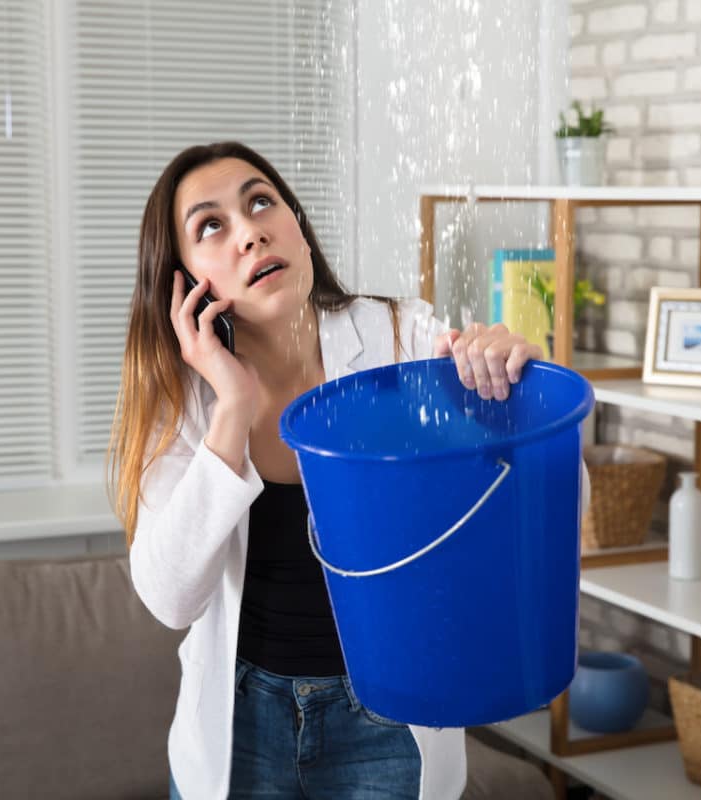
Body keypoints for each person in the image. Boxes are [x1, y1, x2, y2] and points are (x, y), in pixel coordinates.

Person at [107, 142, 547, 800]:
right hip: (239, 723)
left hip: (389, 716)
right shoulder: (181, 400)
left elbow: (549, 504)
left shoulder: (404, 341)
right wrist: (232, 409)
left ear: (301, 234)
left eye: (261, 203)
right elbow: (172, 600)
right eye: (211, 226)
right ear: (184, 284)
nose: (250, 230)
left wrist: (517, 403)